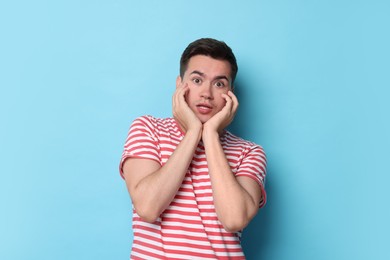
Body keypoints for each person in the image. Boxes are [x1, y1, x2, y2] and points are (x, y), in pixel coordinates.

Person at [119, 38, 267, 259]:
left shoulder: (250, 152)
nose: (207, 93)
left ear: (231, 94)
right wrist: (192, 133)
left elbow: (234, 219)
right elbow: (148, 208)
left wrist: (210, 136)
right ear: (180, 85)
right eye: (197, 80)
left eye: (219, 84)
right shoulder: (148, 128)